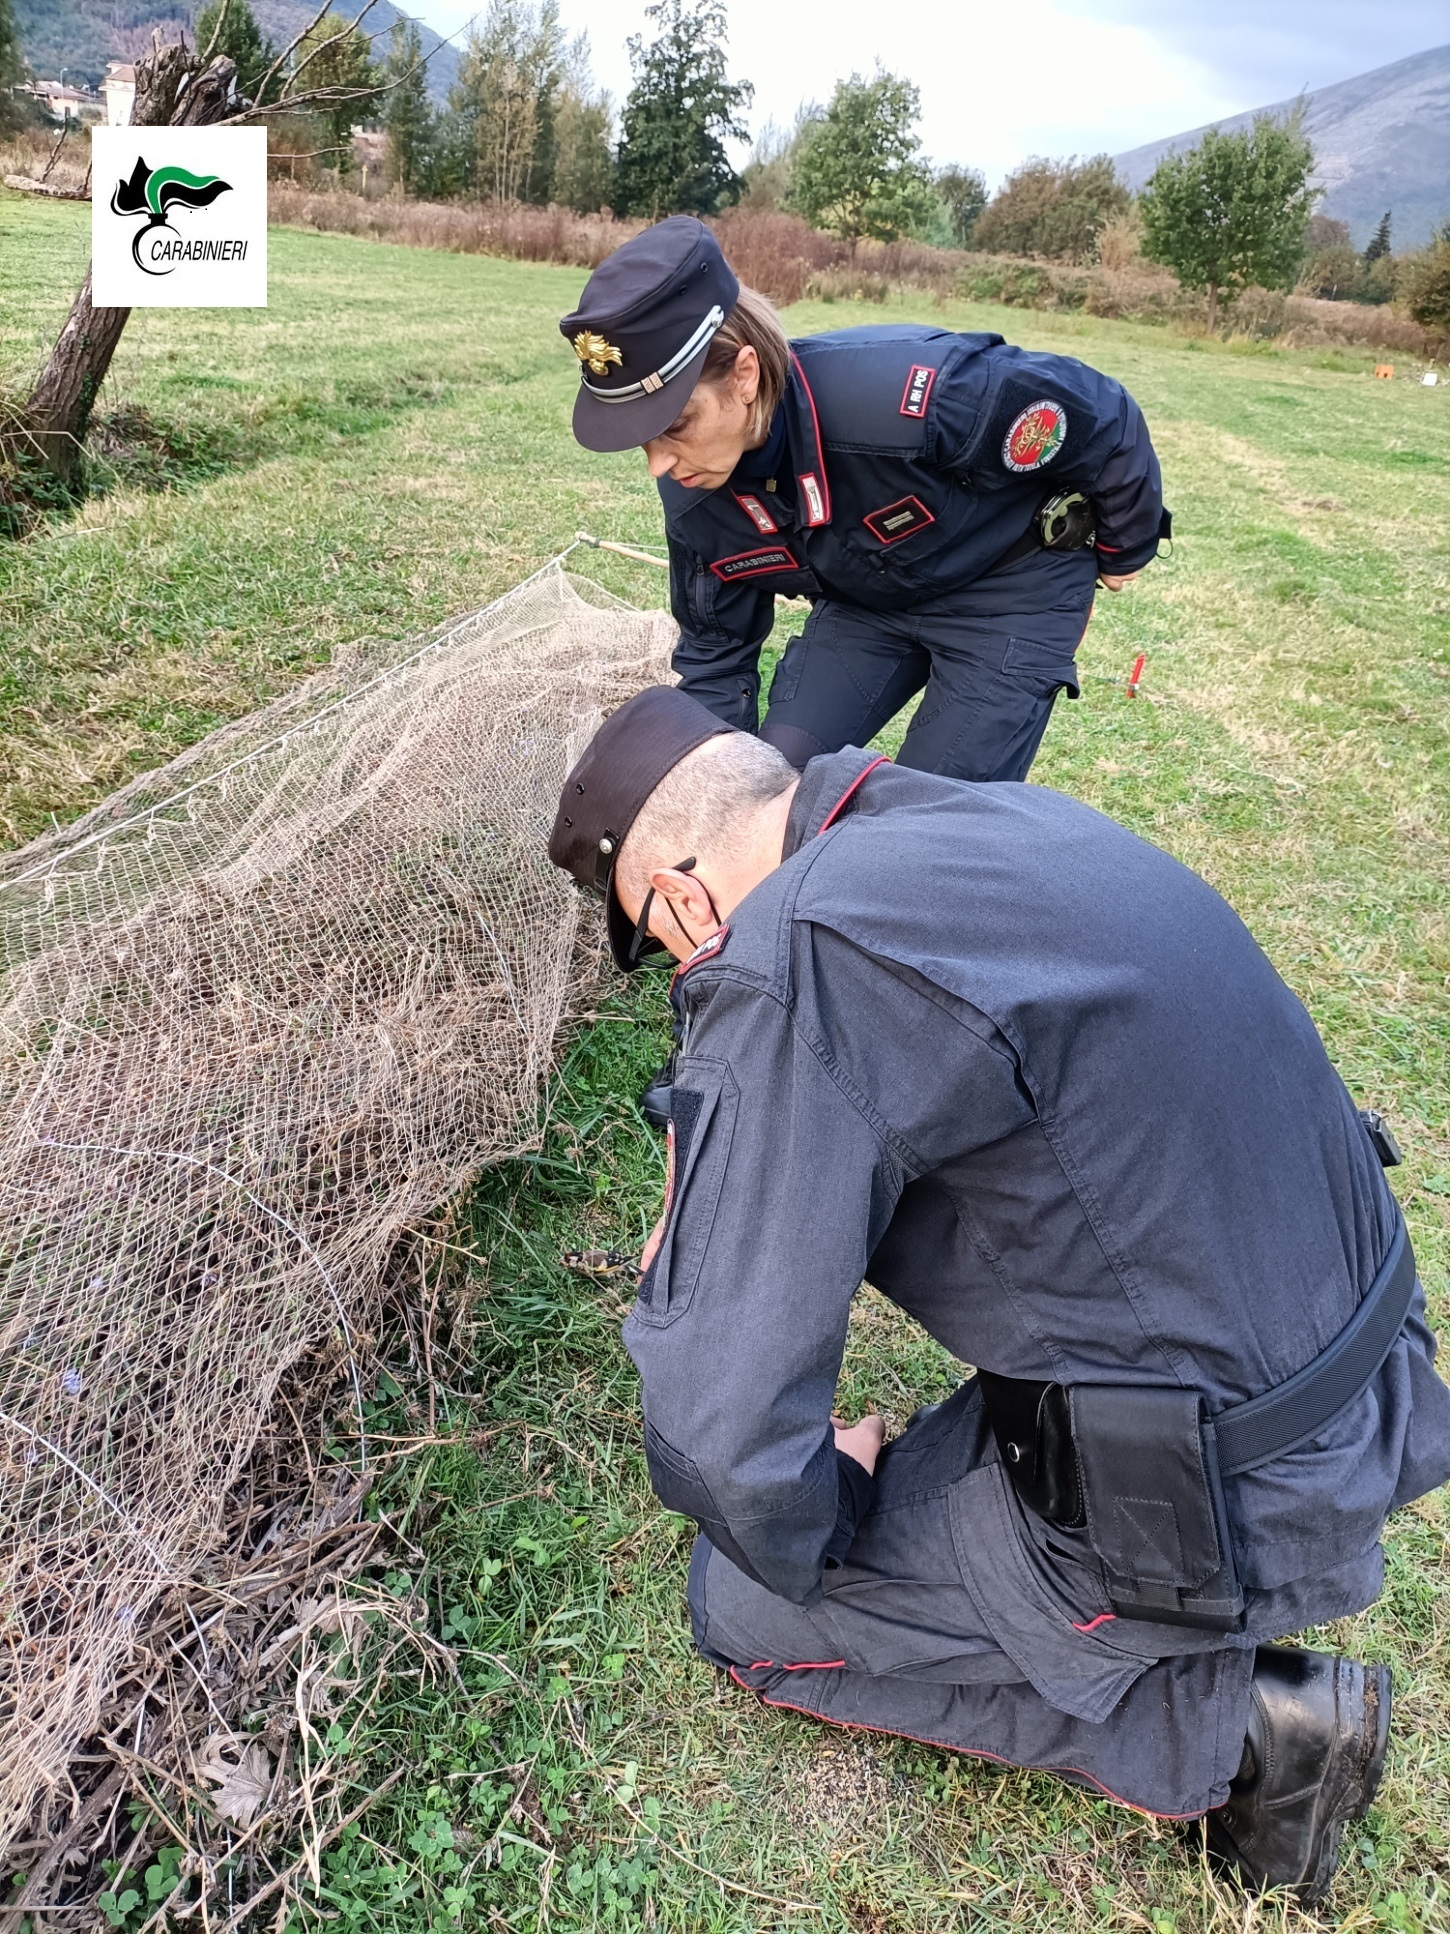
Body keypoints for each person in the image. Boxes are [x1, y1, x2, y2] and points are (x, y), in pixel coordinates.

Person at [546, 685, 1450, 1902]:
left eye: (659, 941)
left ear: (684, 896)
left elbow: (726, 1432)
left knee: (744, 1598)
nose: (681, 963)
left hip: (1221, 1478)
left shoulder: (789, 953)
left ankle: (1246, 1733)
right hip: (1352, 1345)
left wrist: (826, 1493)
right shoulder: (970, 824)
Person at [558, 216, 1167, 783]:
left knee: (928, 825)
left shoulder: (919, 400)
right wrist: (723, 789)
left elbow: (1101, 418)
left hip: (1008, 591)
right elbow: (716, 652)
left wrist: (1125, 546)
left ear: (745, 376)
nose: (659, 465)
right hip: (870, 604)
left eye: (678, 423)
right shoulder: (695, 487)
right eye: (643, 438)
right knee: (775, 781)